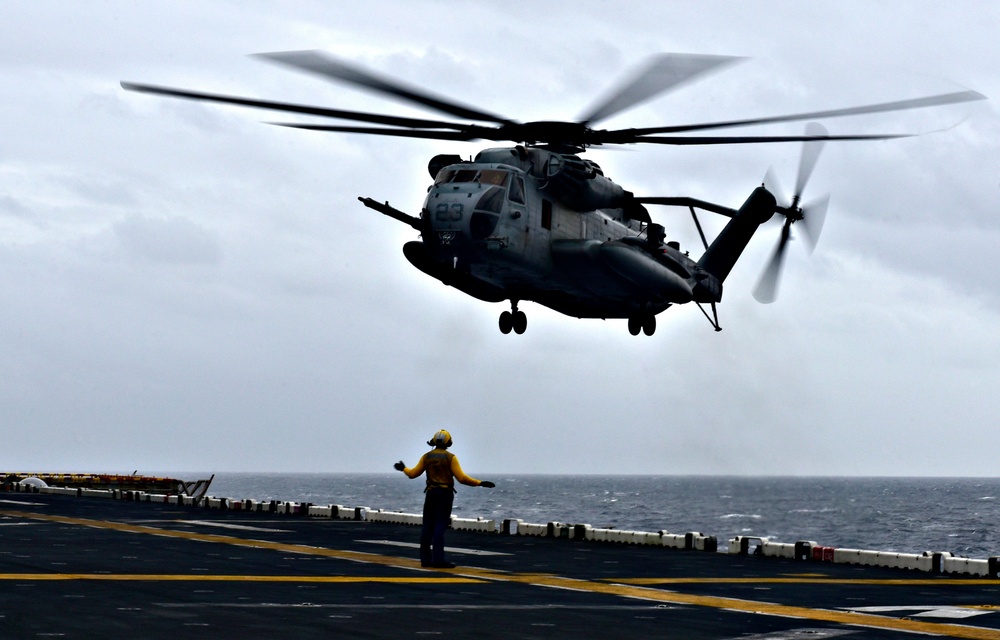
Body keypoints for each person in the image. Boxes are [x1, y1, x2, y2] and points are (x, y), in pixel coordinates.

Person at [394, 429, 495, 568]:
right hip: (445, 494)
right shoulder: (450, 457)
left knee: (427, 526)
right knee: (440, 526)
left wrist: (404, 468)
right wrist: (480, 483)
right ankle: (438, 560)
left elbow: (412, 474)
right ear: (449, 442)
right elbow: (462, 478)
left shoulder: (426, 457)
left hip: (431, 493)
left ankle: (425, 560)